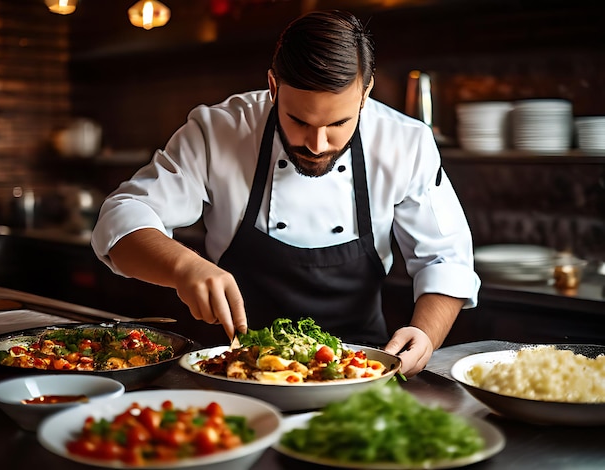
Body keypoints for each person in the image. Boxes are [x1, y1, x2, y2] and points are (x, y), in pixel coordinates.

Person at [91, 10, 480, 377]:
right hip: (235, 368)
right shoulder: (217, 131)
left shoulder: (405, 143)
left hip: (357, 370)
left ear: (365, 92)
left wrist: (426, 334)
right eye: (299, 121)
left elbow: (445, 259)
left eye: (339, 123)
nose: (316, 144)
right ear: (273, 86)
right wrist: (184, 267)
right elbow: (122, 217)